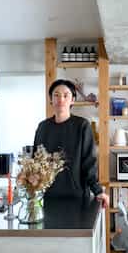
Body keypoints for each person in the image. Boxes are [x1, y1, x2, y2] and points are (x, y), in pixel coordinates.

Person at [33, 79, 109, 208]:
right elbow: (36, 160)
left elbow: (89, 162)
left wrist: (98, 191)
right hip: (49, 197)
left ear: (72, 100)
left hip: (77, 197)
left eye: (65, 95)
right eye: (56, 95)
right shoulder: (43, 127)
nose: (61, 99)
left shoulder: (82, 125)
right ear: (51, 99)